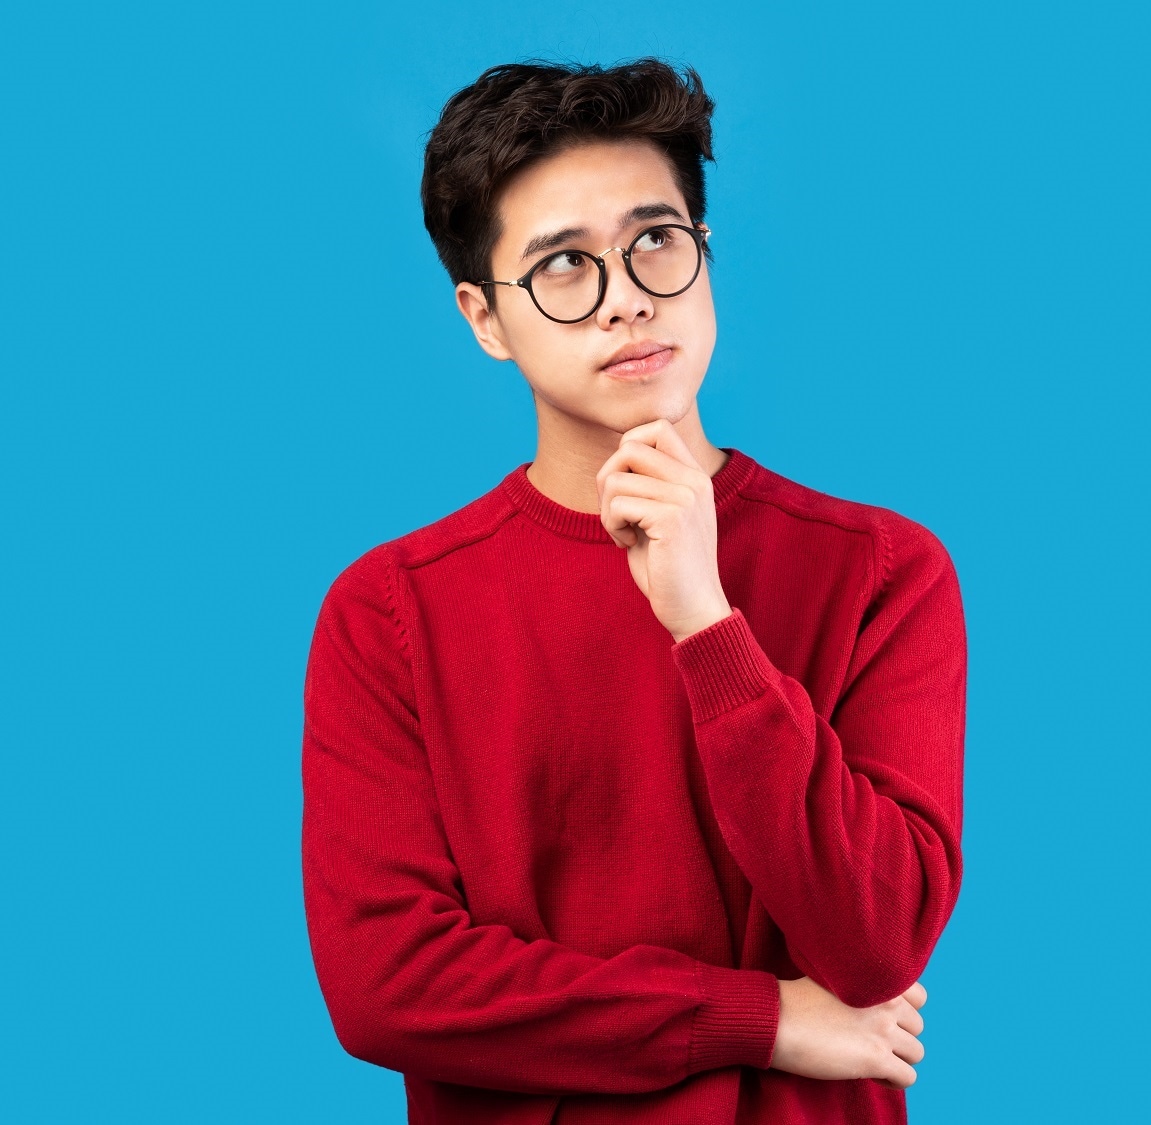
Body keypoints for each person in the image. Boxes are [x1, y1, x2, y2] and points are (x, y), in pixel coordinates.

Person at [300, 58, 967, 1125]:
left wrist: (706, 622)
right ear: (483, 317)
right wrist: (759, 1018)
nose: (624, 301)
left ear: (704, 256)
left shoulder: (880, 570)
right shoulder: (390, 612)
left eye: (656, 242)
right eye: (563, 265)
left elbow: (876, 937)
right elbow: (390, 986)